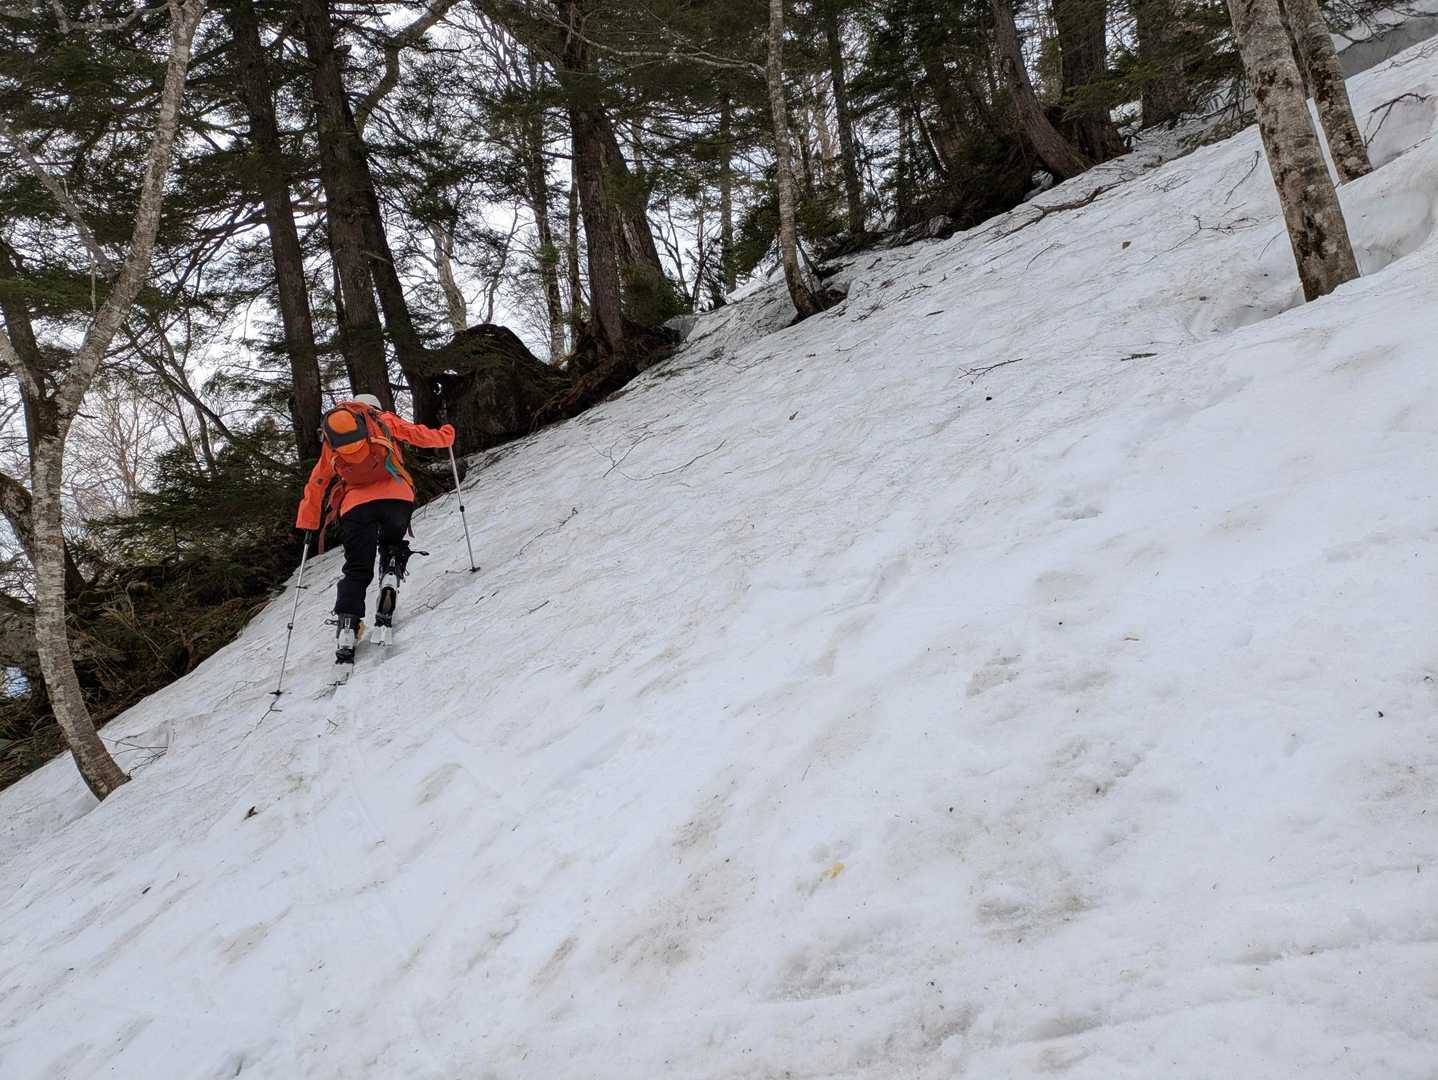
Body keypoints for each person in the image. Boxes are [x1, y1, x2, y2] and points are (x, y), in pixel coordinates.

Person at [295, 394, 455, 663]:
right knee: (392, 545)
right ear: (374, 409)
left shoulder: (333, 439)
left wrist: (309, 520)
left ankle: (348, 625)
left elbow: (317, 481)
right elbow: (418, 435)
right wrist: (446, 435)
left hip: (355, 507)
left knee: (357, 568)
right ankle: (390, 575)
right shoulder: (384, 420)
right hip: (397, 498)